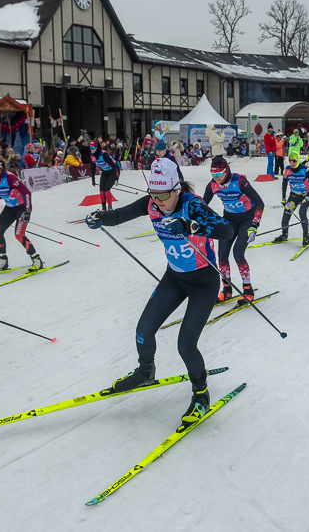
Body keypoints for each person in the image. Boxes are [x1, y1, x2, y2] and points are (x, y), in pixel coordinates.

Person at [84, 158, 233, 425]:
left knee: (185, 344)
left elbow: (225, 229)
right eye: (153, 194)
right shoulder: (151, 203)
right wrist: (100, 217)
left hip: (204, 282)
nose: (158, 200)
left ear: (177, 189)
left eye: (164, 194)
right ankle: (146, 371)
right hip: (174, 278)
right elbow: (119, 215)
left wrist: (190, 226)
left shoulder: (193, 205)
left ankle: (201, 395)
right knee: (143, 331)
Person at [202, 156, 264, 303]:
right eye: (213, 174)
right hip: (230, 219)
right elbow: (203, 205)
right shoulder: (212, 185)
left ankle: (247, 290)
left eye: (218, 174)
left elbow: (260, 203)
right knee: (222, 255)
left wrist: (254, 225)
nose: (215, 177)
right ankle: (227, 289)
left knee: (238, 254)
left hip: (247, 219)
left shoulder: (239, 181)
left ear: (226, 170)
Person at [0, 153, 42, 273]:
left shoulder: (10, 178)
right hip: (10, 208)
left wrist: (27, 210)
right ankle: (3, 261)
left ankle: (37, 260)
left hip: (22, 208)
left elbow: (27, 193)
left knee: (19, 234)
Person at [273, 149, 309, 246]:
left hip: (306, 195)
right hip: (294, 195)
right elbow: (284, 184)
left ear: (298, 160)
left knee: (302, 213)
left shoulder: (305, 169)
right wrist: (283, 198)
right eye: (290, 160)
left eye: (294, 161)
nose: (292, 163)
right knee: (286, 214)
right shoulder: (287, 170)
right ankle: (284, 234)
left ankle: (306, 236)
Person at [92, 140, 121, 210]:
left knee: (106, 189)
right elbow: (92, 168)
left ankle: (110, 207)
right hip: (105, 172)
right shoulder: (92, 156)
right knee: (101, 190)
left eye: (93, 148)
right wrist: (93, 179)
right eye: (90, 148)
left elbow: (114, 166)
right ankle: (103, 207)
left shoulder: (104, 155)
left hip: (113, 171)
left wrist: (116, 178)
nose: (92, 150)